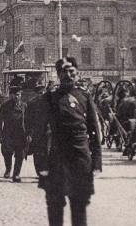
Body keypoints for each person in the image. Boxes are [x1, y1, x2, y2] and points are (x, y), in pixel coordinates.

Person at [32, 57, 101, 226]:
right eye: (64, 71)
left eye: (72, 71)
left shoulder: (84, 97)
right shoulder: (49, 98)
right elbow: (39, 133)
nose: (68, 75)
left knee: (79, 206)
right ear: (58, 74)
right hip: (57, 158)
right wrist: (41, 164)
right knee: (55, 205)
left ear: (77, 74)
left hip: (80, 158)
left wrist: (97, 163)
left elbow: (94, 131)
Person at [0, 86, 27, 182]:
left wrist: (29, 133)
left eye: (18, 95)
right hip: (8, 133)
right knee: (7, 153)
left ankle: (16, 174)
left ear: (21, 95)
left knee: (20, 154)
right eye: (14, 95)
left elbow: (29, 120)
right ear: (11, 95)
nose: (16, 97)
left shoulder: (24, 106)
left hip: (20, 134)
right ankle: (8, 169)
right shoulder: (5, 106)